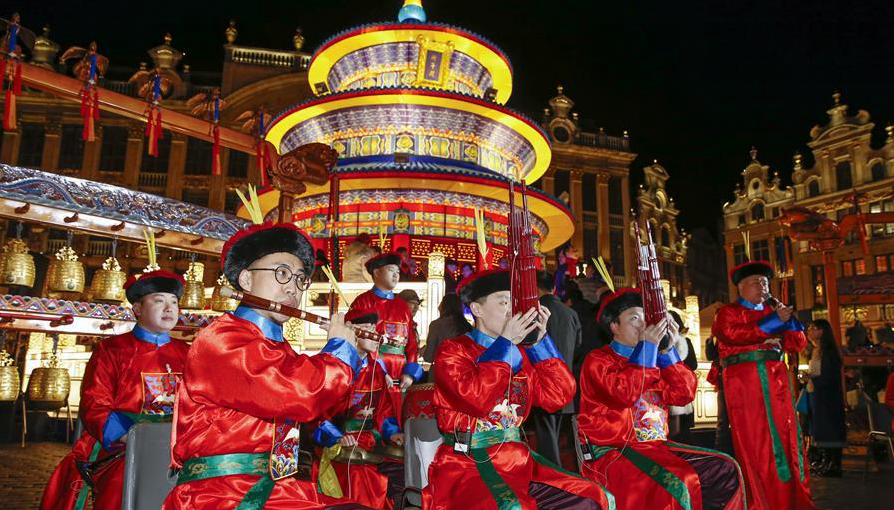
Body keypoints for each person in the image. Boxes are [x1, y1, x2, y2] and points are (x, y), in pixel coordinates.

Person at [163, 222, 371, 510]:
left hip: (281, 489)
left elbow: (316, 409)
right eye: (282, 273)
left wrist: (355, 354)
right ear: (246, 280)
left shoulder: (280, 349)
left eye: (301, 279)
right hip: (223, 493)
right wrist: (339, 350)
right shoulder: (222, 340)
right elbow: (298, 394)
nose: (293, 287)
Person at [424, 269, 614, 509]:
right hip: (468, 462)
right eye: (504, 302)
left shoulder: (521, 352)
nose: (512, 311)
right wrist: (505, 344)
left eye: (514, 304)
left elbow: (559, 396)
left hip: (518, 459)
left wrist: (539, 342)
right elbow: (476, 400)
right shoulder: (453, 351)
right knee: (512, 506)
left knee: (593, 496)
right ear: (477, 309)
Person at [578, 288, 744, 510]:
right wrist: (648, 350)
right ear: (614, 326)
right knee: (678, 479)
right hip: (615, 452)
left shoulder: (654, 359)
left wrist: (667, 351)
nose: (643, 325)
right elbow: (624, 394)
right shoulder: (599, 360)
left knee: (725, 468)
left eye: (645, 319)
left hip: (657, 448)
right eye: (634, 319)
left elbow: (684, 393)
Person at [41, 271, 190, 510]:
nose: (169, 308)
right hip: (123, 447)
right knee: (121, 487)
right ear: (137, 309)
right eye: (159, 300)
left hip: (178, 447)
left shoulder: (187, 352)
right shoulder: (112, 350)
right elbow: (94, 404)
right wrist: (130, 438)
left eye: (174, 302)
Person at [712, 261, 815, 510]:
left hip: (777, 384)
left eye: (765, 282)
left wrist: (787, 321)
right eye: (756, 282)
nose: (763, 287)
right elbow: (731, 334)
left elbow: (798, 343)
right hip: (747, 384)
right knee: (757, 440)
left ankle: (790, 497)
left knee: (786, 437)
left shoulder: (773, 310)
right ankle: (761, 500)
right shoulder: (729, 312)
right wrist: (771, 324)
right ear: (740, 287)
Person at [314, 313, 405, 509]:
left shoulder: (377, 370)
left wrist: (392, 432)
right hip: (340, 442)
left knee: (401, 463)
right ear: (351, 331)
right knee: (358, 472)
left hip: (371, 440)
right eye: (368, 329)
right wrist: (337, 437)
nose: (375, 334)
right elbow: (316, 413)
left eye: (375, 329)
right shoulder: (335, 366)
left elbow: (384, 410)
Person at [347, 252, 424, 413]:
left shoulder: (402, 307)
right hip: (370, 375)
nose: (396, 275)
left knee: (395, 417)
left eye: (398, 271)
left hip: (399, 377)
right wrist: (379, 371)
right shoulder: (363, 301)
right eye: (391, 270)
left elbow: (411, 343)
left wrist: (409, 373)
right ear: (376, 272)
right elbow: (355, 340)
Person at [531, 270, 580, 468]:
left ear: (535, 289)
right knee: (555, 432)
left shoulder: (535, 312)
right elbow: (578, 345)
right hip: (565, 378)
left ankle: (552, 470)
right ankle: (555, 468)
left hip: (543, 380)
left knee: (546, 434)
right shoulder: (570, 312)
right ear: (553, 288)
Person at [805, 319, 846, 477]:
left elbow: (830, 376)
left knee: (830, 429)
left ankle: (834, 465)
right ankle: (826, 461)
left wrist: (812, 379)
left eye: (812, 328)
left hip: (828, 397)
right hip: (819, 394)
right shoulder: (817, 350)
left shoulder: (829, 352)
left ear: (821, 331)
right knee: (822, 430)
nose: (809, 332)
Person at [667, 311, 698, 444]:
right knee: (679, 430)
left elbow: (693, 364)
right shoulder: (680, 341)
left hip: (676, 387)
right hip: (677, 388)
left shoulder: (681, 342)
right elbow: (693, 364)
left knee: (677, 430)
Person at [422, 293, 471, 365]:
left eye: (441, 303)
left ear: (444, 306)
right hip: (463, 369)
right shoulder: (467, 326)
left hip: (442, 369)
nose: (438, 306)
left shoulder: (436, 325)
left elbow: (429, 357)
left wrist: (422, 351)